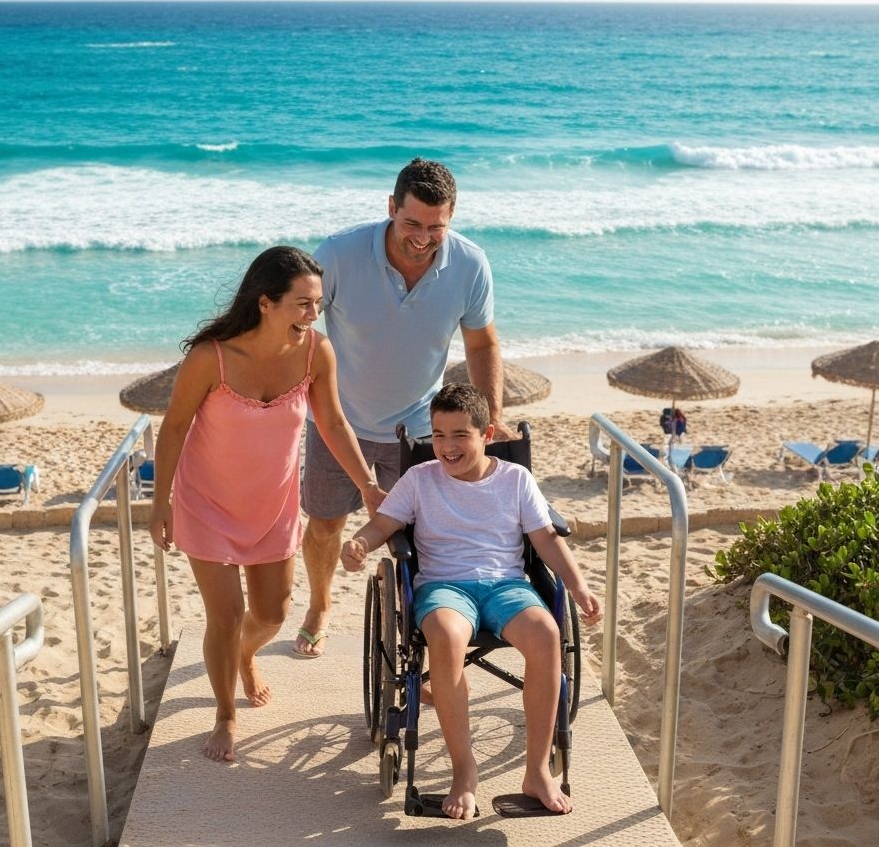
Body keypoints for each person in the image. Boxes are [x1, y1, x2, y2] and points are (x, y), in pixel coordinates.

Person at [148, 246, 386, 764]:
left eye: (317, 304)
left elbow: (334, 424)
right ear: (266, 303)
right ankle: (225, 714)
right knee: (226, 615)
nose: (312, 314)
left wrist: (367, 485)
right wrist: (159, 501)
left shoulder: (315, 353)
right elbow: (174, 427)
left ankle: (244, 656)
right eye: (302, 304)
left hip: (274, 504)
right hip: (205, 501)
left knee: (273, 613)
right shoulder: (210, 357)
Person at [340, 383, 602, 819]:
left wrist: (577, 586)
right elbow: (383, 524)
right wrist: (359, 544)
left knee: (547, 635)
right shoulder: (419, 479)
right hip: (444, 586)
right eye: (439, 436)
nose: (446, 447)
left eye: (460, 434)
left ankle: (536, 771)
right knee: (444, 635)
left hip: (506, 586)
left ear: (487, 433)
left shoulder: (516, 480)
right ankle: (465, 772)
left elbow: (547, 541)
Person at [296, 157, 514, 657]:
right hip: (337, 422)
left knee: (418, 537)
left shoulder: (470, 264)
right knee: (326, 524)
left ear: (452, 216)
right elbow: (298, 329)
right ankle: (320, 605)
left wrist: (491, 416)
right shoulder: (339, 253)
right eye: (411, 222)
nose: (422, 237)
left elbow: (481, 346)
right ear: (391, 207)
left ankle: (413, 626)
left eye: (436, 227)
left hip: (418, 430)